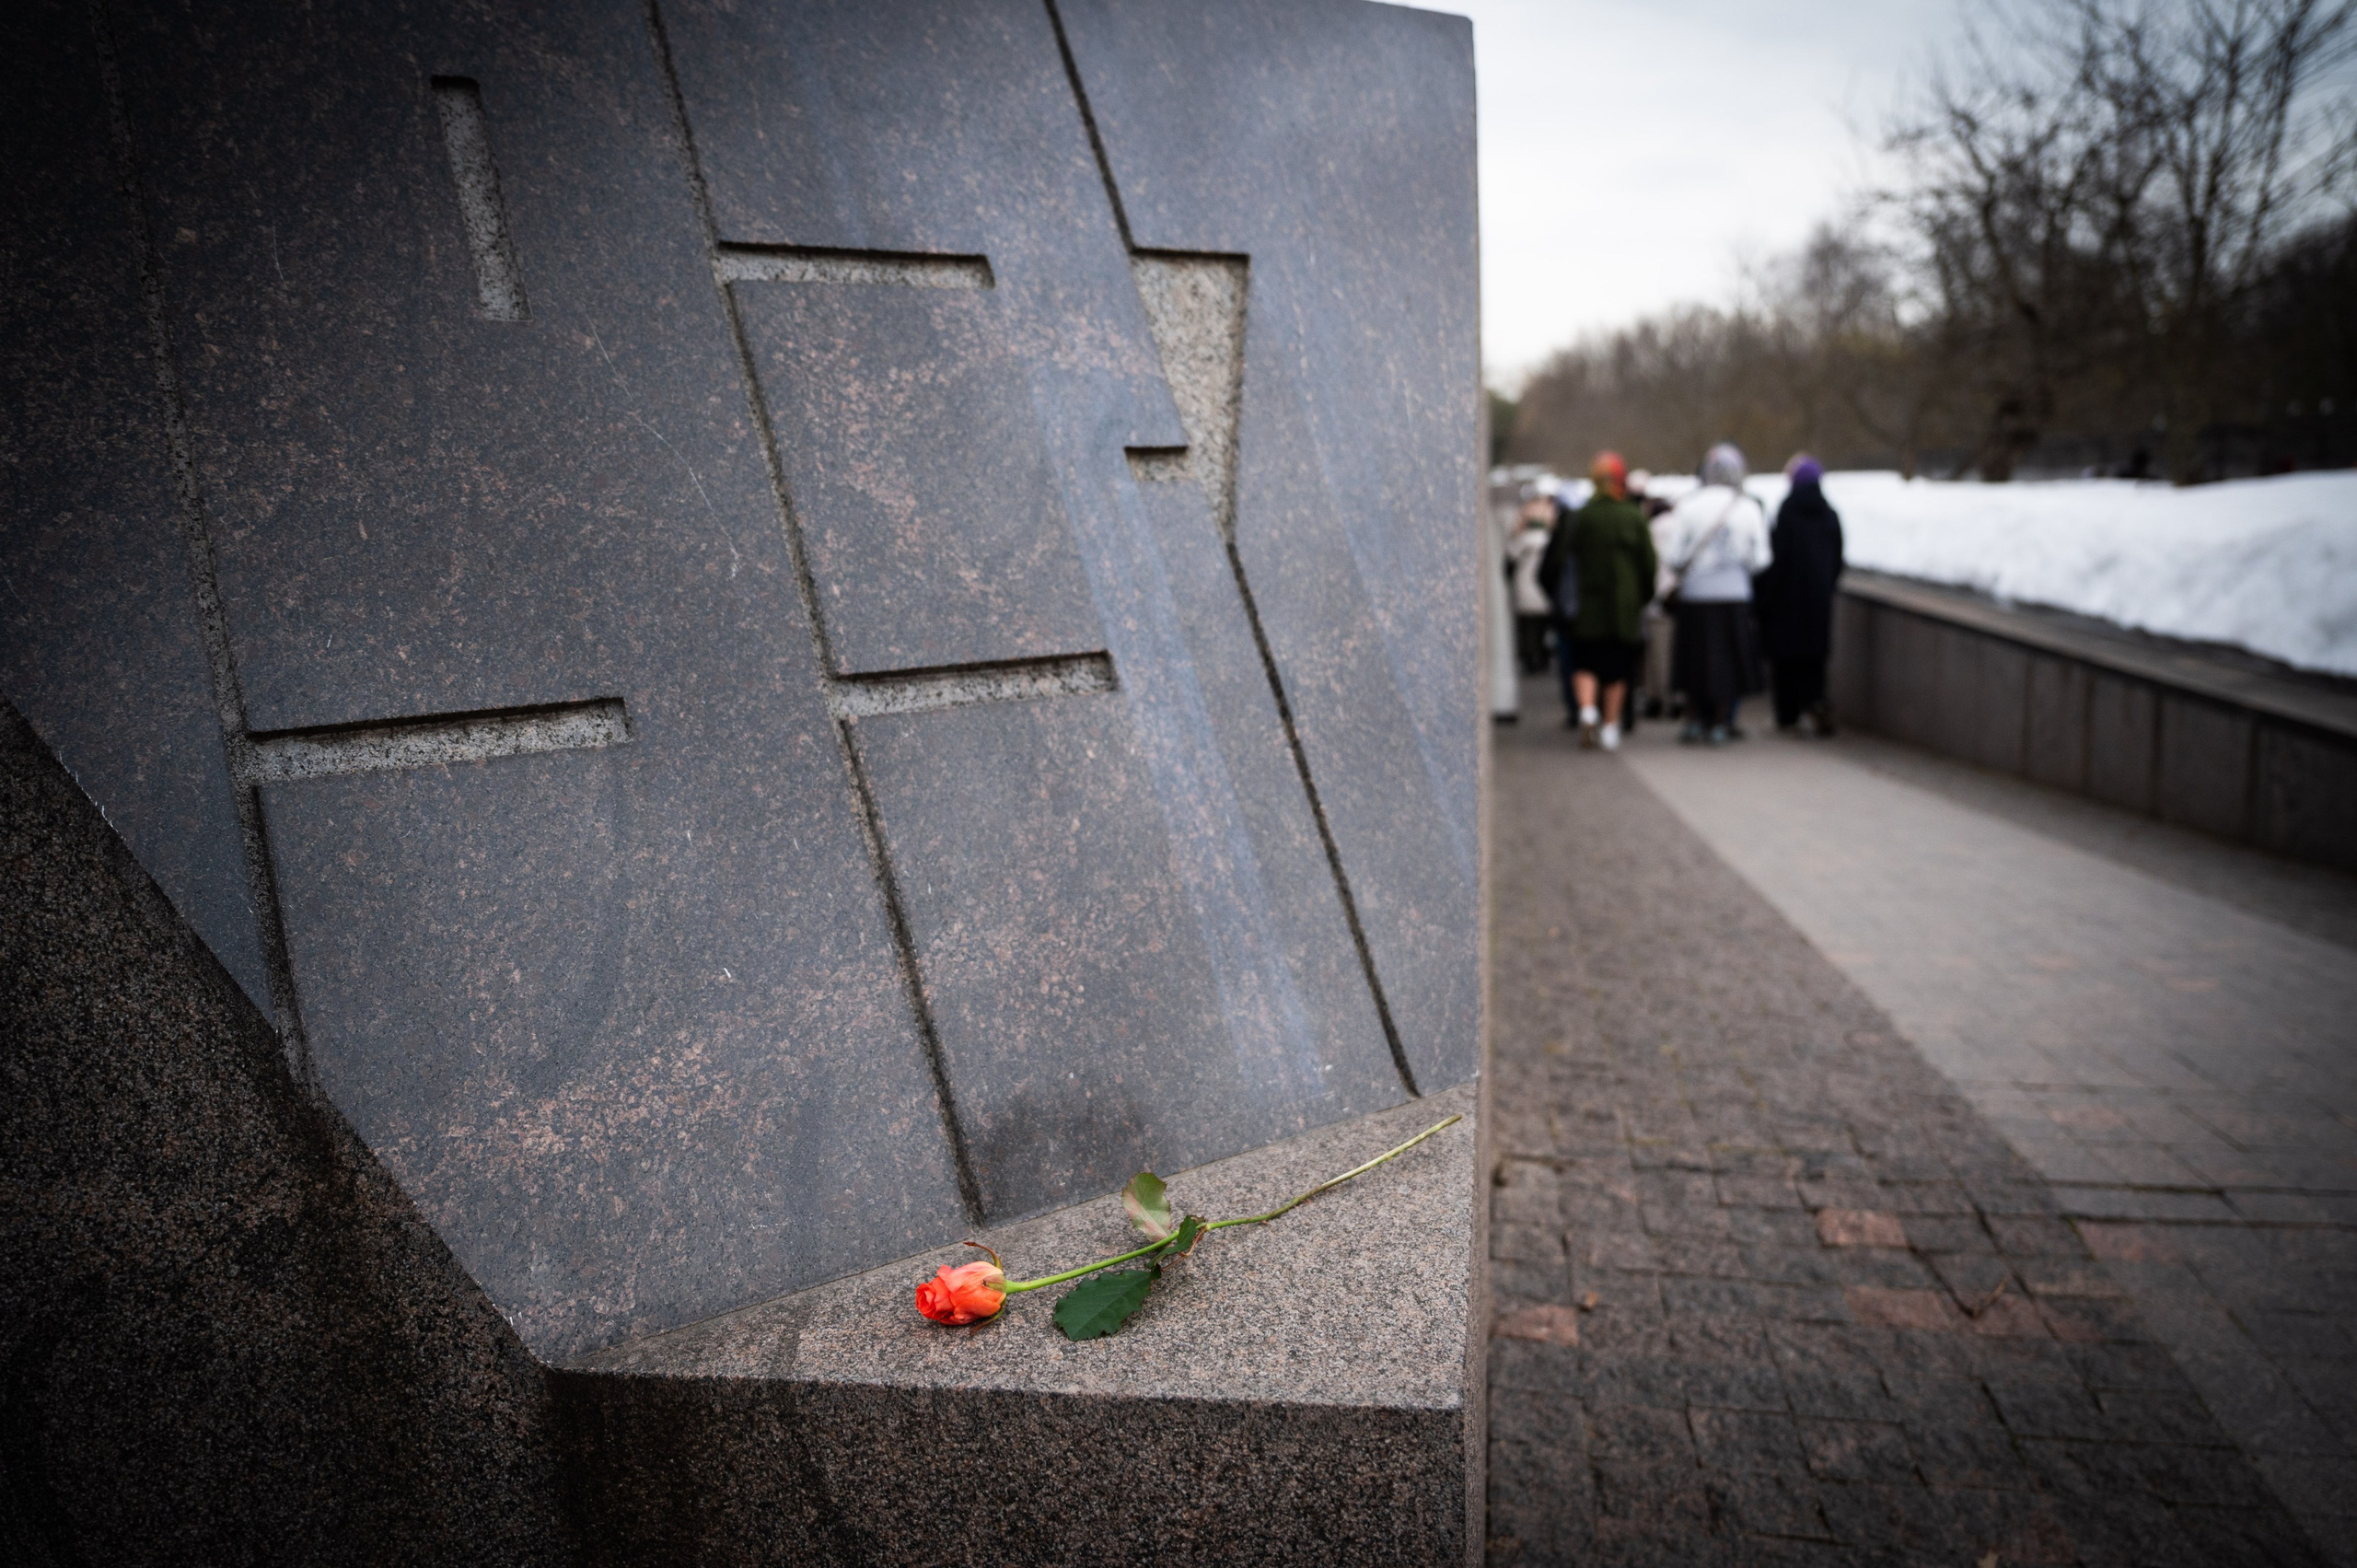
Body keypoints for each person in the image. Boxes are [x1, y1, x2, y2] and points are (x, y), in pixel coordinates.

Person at [1659, 442, 1770, 745]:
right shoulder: (1747, 507)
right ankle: (1721, 722)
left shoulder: (1689, 505)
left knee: (1694, 661)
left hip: (1696, 595)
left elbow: (1672, 555)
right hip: (1734, 595)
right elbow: (1760, 559)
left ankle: (1694, 720)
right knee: (1728, 662)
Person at [1564, 452, 1657, 751]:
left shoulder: (1583, 516)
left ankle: (1588, 710)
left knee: (1586, 664)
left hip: (1588, 606)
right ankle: (1610, 726)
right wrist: (1642, 596)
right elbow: (1649, 564)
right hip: (1623, 607)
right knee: (1617, 671)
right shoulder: (1632, 515)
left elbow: (1562, 561)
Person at [1754, 454, 1845, 734]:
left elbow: (1775, 559)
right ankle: (1814, 705)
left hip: (1786, 602)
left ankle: (1788, 716)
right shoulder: (1829, 515)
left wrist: (1765, 598)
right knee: (1814, 660)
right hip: (1818, 602)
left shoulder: (1787, 512)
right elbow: (1838, 559)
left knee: (1785, 660)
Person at [1507, 496, 1556, 674]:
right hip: (1543, 591)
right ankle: (1542, 657)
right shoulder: (1550, 540)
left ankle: (1529, 658)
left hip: (1523, 588)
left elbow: (1508, 566)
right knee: (1542, 628)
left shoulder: (1520, 541)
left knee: (1527, 629)